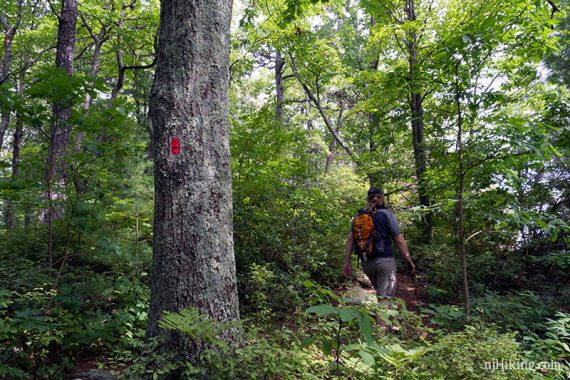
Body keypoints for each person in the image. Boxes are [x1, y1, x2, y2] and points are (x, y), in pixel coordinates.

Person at [343, 187, 416, 301]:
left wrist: (347, 263)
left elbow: (350, 241)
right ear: (381, 198)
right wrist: (409, 261)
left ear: (368, 199)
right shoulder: (386, 214)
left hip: (366, 263)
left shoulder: (358, 216)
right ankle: (381, 318)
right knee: (384, 304)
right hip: (385, 262)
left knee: (381, 296)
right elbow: (399, 240)